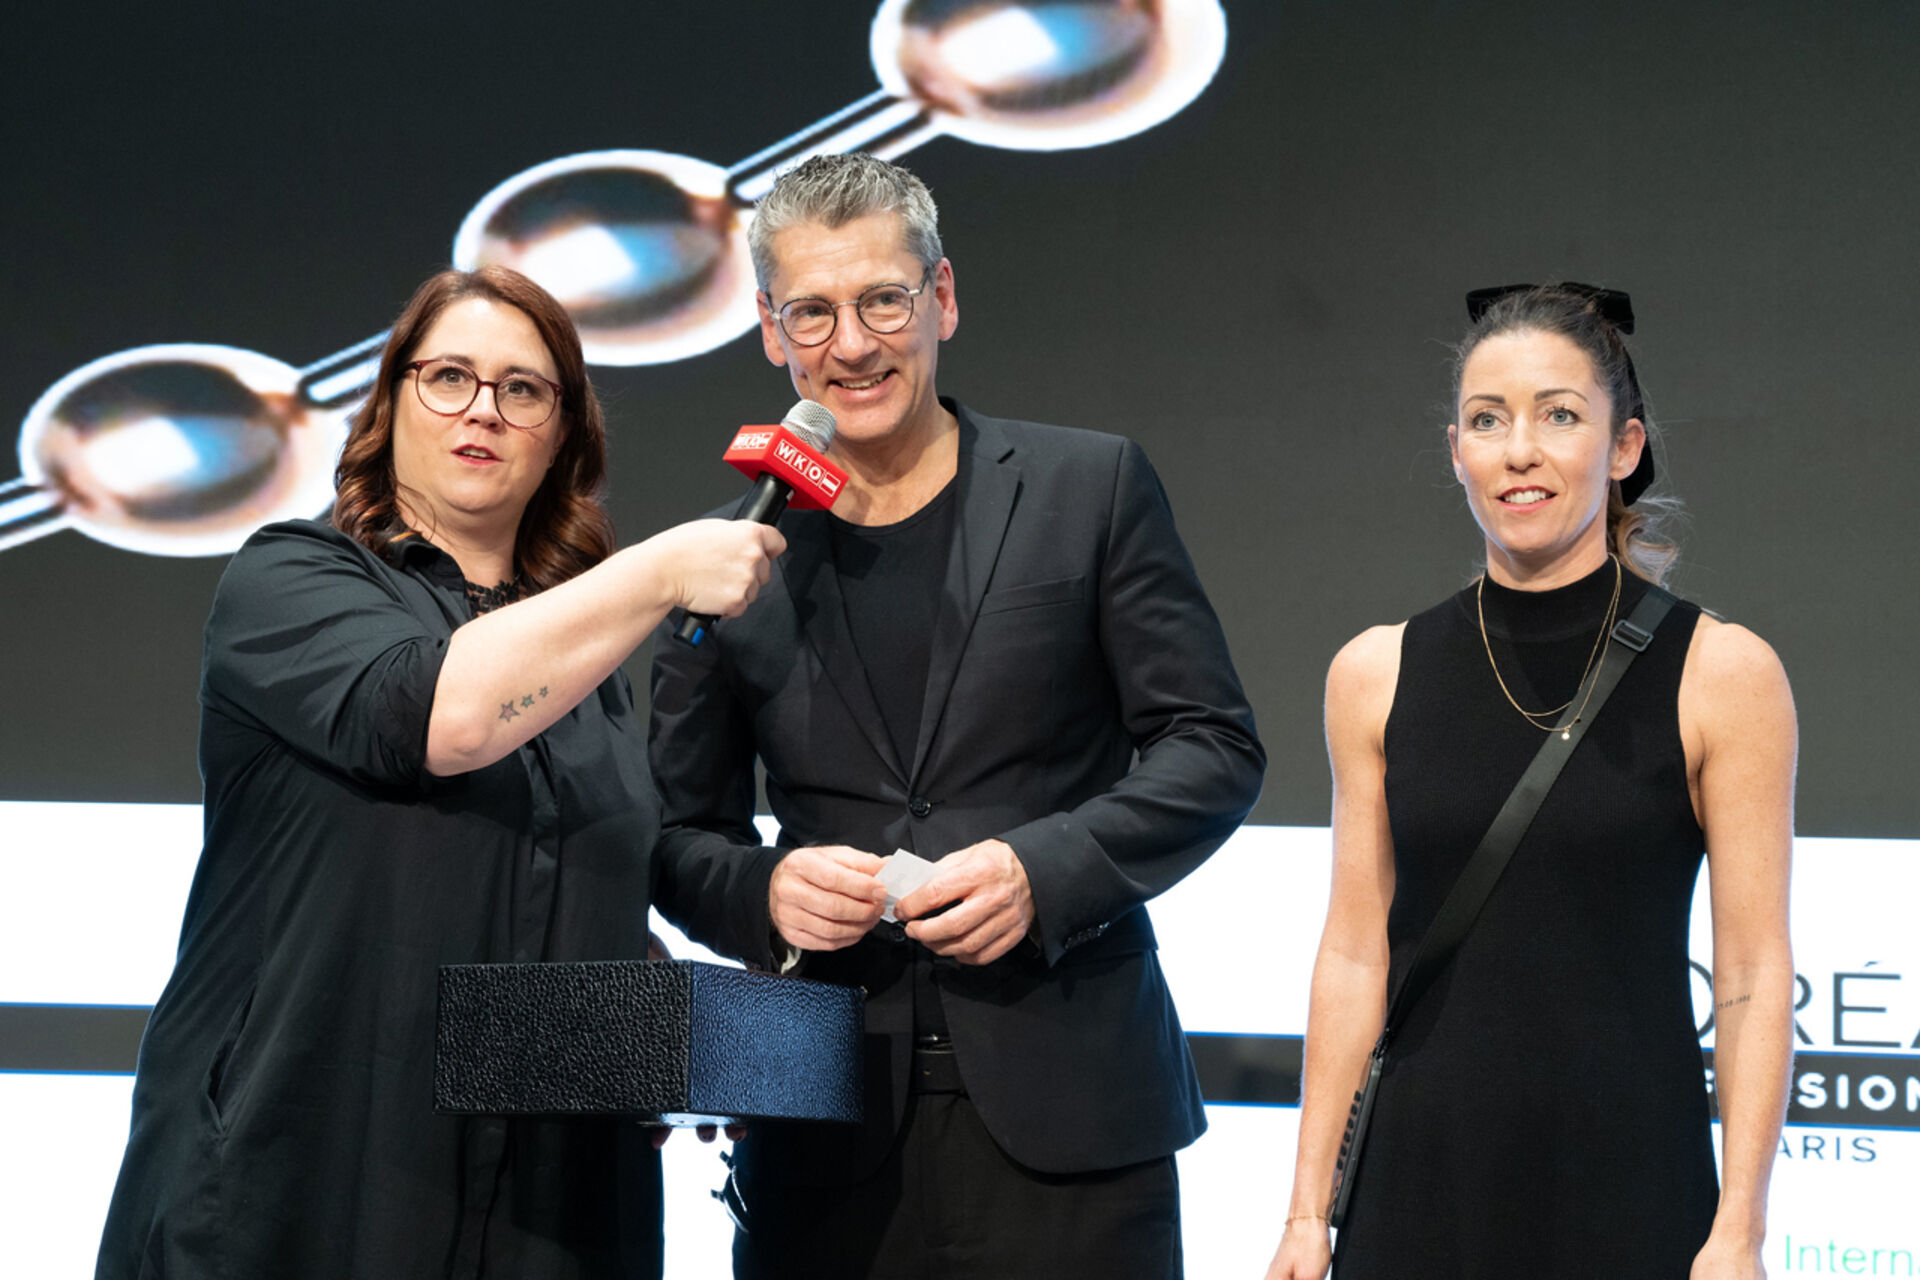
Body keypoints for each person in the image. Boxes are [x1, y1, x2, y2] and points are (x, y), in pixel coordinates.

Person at [94, 265, 785, 1280]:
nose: (484, 409)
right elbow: (440, 718)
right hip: (308, 1184)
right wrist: (660, 570)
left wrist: (667, 1038)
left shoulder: (583, 669)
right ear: (392, 400)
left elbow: (557, 886)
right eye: (450, 376)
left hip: (544, 1210)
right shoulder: (289, 578)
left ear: (563, 433)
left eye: (523, 389)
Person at [648, 152, 1266, 1278]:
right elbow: (675, 832)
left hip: (1077, 1117)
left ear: (941, 297)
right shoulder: (728, 556)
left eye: (883, 300)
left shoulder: (1090, 486)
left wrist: (1044, 871)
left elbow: (1213, 746)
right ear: (772, 331)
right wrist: (765, 893)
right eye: (813, 312)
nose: (852, 343)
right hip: (815, 1128)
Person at [1262, 284, 1796, 1280]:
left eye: (1559, 415)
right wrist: (1305, 1211)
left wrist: (1741, 1230)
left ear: (1625, 446)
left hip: (1631, 1181)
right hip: (1419, 1180)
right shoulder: (1374, 671)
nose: (1519, 450)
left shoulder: (1723, 673)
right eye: (1486, 419)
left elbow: (1754, 974)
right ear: (1454, 451)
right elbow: (1353, 954)